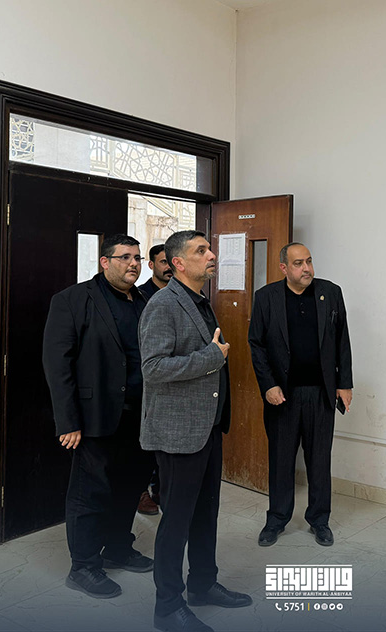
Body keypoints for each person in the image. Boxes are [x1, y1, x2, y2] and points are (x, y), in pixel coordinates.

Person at [140, 230, 252, 632]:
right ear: (178, 263)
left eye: (209, 249)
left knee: (206, 514)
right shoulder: (162, 304)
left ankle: (203, 585)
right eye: (201, 250)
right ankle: (167, 607)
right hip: (178, 434)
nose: (212, 255)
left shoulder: (200, 301)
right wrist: (210, 358)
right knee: (177, 522)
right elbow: (153, 368)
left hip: (207, 428)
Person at [42, 233, 154, 599]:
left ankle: (118, 548)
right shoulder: (73, 300)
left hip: (140, 417)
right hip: (94, 417)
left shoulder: (144, 300)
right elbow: (57, 365)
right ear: (105, 262)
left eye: (137, 257)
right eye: (125, 257)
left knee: (129, 487)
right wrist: (68, 420)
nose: (133, 264)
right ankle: (84, 566)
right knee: (89, 494)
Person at [248, 242, 353, 548]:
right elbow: (257, 345)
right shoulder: (266, 297)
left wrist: (344, 383)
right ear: (284, 268)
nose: (307, 268)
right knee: (281, 460)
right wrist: (268, 385)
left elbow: (342, 340)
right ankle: (276, 519)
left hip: (321, 393)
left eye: (309, 261)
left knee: (319, 460)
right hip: (283, 395)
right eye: (298, 263)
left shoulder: (330, 292)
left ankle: (319, 520)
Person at [136, 243, 172, 517]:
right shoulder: (140, 296)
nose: (168, 267)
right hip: (146, 376)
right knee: (144, 445)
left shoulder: (182, 294)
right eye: (162, 262)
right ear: (151, 265)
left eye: (171, 261)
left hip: (172, 380)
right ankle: (141, 492)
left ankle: (160, 489)